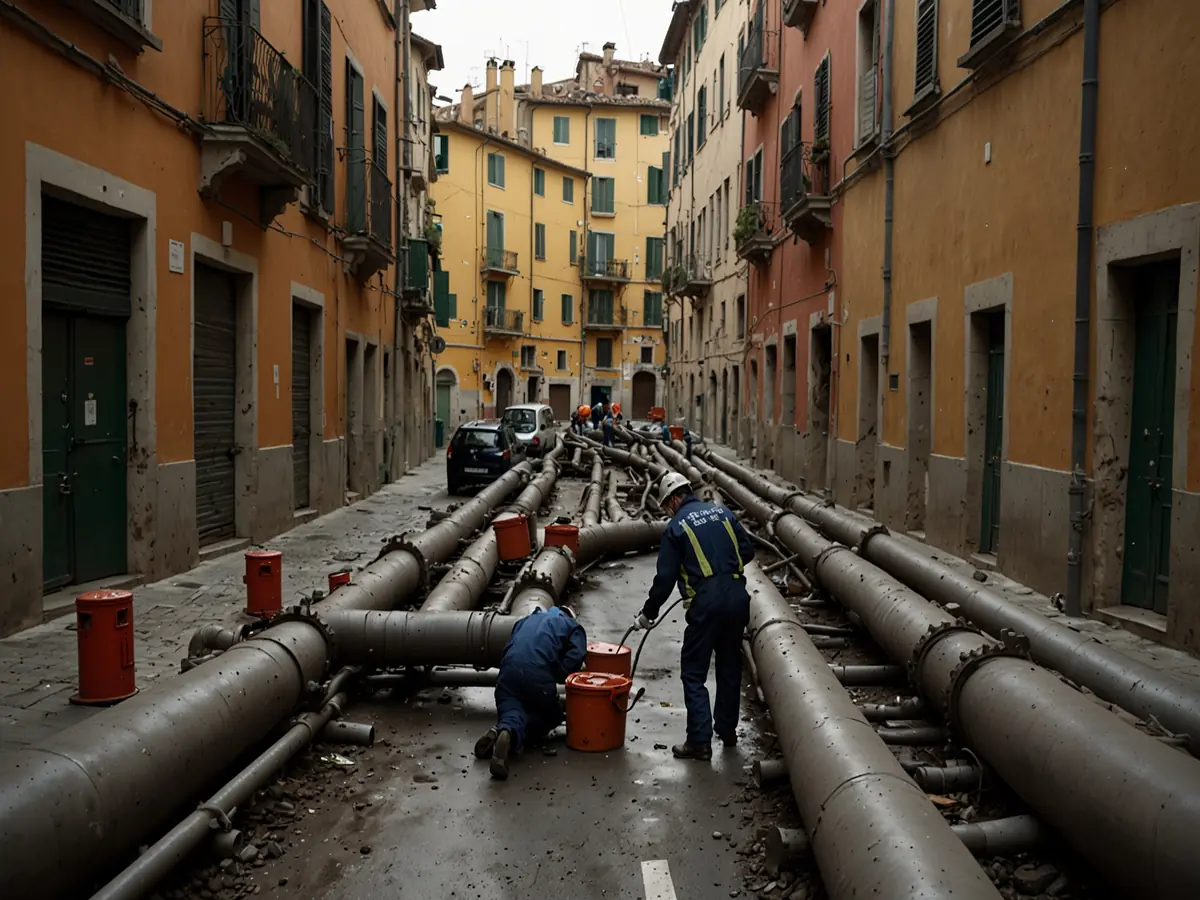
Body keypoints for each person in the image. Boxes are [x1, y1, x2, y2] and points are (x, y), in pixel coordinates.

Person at [632, 473, 755, 760]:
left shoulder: (676, 527)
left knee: (693, 672)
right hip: (738, 597)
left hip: (706, 603)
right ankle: (727, 731)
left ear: (675, 498)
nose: (667, 511)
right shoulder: (722, 513)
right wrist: (724, 568)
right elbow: (747, 550)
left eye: (666, 505)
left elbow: (665, 578)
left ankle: (699, 741)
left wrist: (649, 613)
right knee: (728, 666)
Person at [474, 605, 587, 779]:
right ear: (569, 615)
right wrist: (558, 674)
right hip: (538, 674)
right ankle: (511, 735)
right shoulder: (572, 626)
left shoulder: (524, 621)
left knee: (512, 708)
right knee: (550, 716)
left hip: (507, 674)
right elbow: (576, 656)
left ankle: (504, 730)